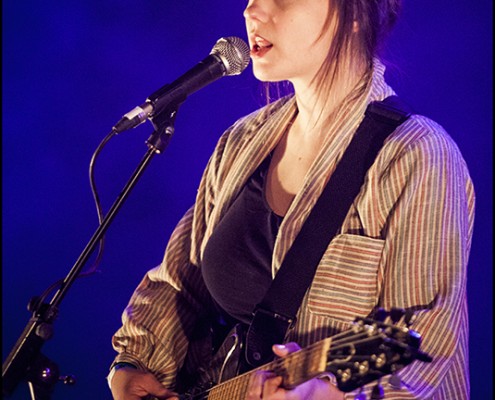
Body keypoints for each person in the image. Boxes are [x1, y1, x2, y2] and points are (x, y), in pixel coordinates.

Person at [108, 0, 475, 399]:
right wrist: (131, 365)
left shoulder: (416, 155)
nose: (252, 12)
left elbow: (428, 345)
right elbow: (179, 283)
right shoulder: (242, 141)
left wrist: (331, 395)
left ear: (354, 14)